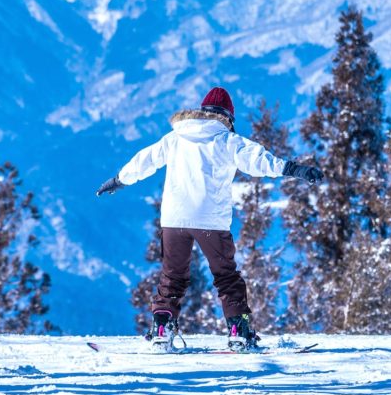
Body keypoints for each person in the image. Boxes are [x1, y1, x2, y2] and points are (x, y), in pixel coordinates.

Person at [96, 87, 323, 351]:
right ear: (228, 117)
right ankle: (239, 329)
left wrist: (119, 180)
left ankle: (161, 328)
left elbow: (144, 161)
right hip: (210, 221)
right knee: (226, 276)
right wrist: (296, 170)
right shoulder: (227, 141)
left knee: (172, 276)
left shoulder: (175, 138)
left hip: (174, 220)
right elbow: (260, 161)